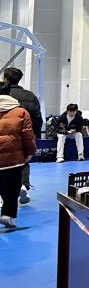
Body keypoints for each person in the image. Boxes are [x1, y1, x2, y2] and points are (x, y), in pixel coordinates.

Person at [4, 67, 41, 203]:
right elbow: (38, 118)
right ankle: (23, 185)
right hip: (25, 134)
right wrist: (34, 135)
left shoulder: (4, 95)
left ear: (5, 79)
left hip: (5, 136)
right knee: (24, 161)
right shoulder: (30, 96)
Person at [0, 92, 36, 229]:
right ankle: (7, 215)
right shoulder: (21, 112)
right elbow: (28, 136)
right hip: (13, 159)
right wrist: (30, 152)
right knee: (12, 188)